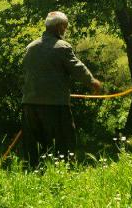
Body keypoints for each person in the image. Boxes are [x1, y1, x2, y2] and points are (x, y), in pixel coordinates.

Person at [21, 11, 101, 166]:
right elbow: (77, 68)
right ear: (58, 27)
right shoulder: (62, 47)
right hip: (55, 105)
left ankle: (35, 171)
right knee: (64, 139)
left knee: (36, 143)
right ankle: (64, 171)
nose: (65, 30)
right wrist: (92, 81)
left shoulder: (31, 47)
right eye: (65, 27)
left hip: (30, 104)